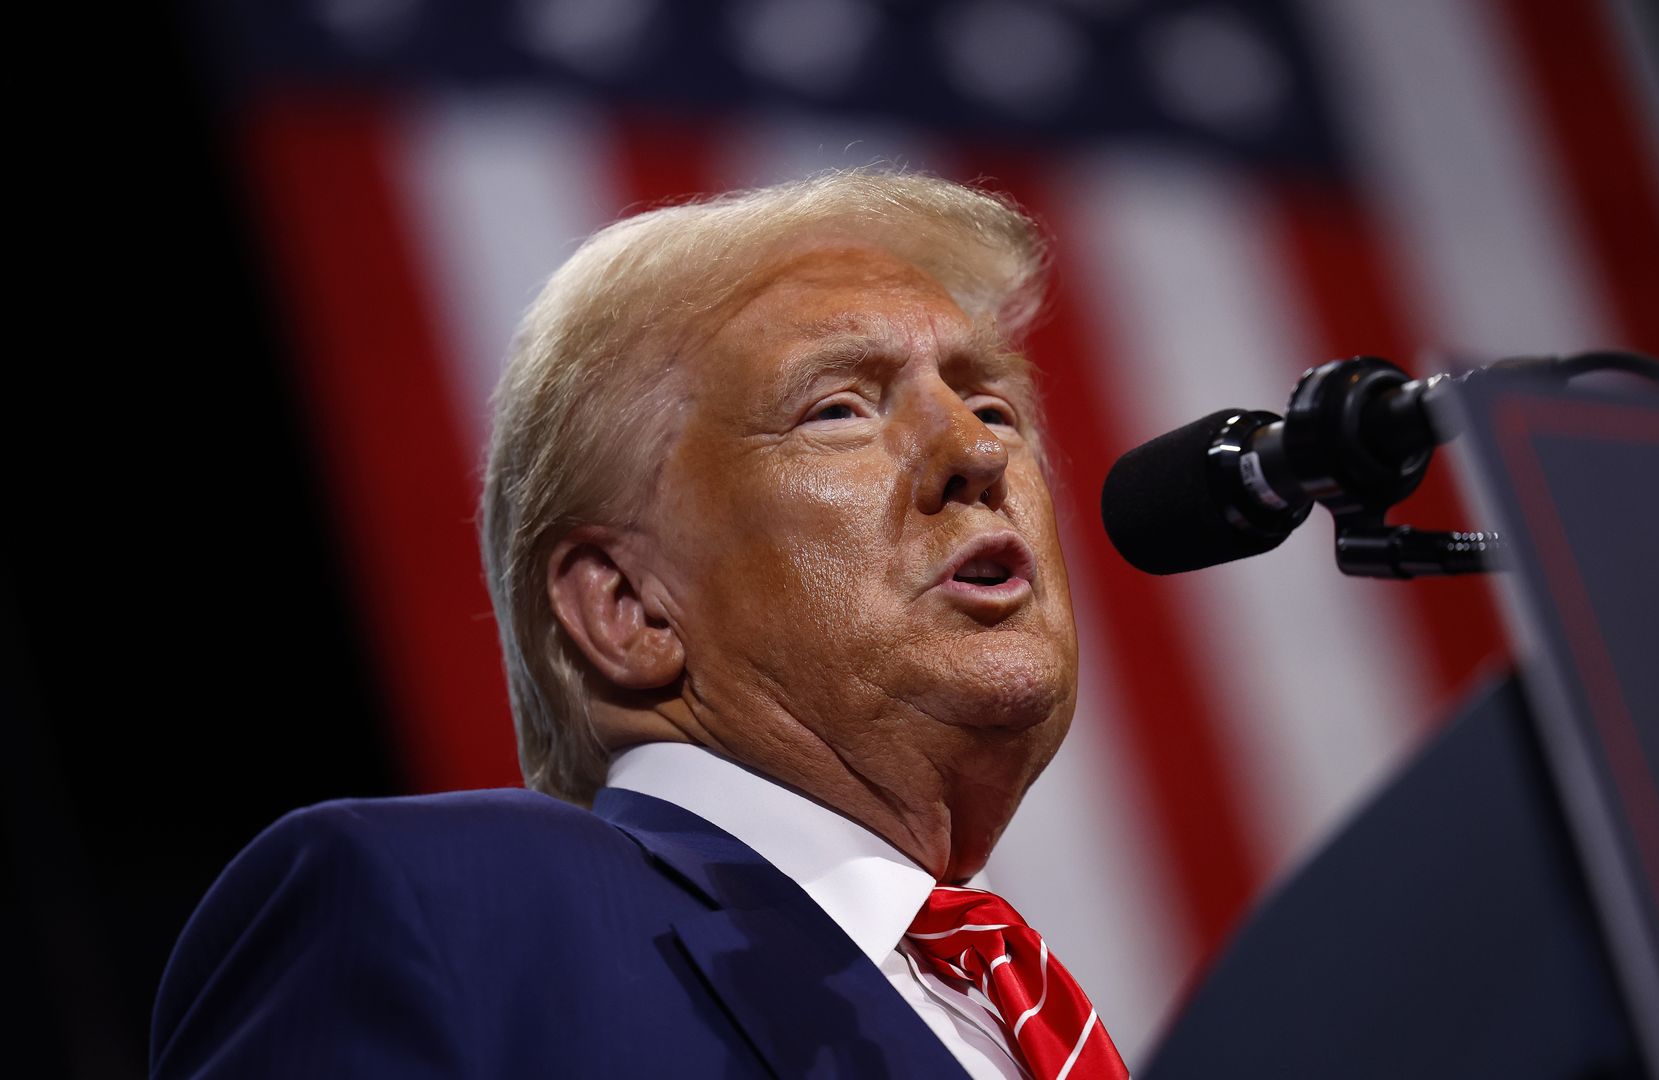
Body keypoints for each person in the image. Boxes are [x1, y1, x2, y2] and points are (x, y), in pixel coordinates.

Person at [150, 170, 1130, 1079]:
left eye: (993, 406)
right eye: (836, 409)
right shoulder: (437, 913)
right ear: (627, 607)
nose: (974, 451)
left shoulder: (1013, 1017)